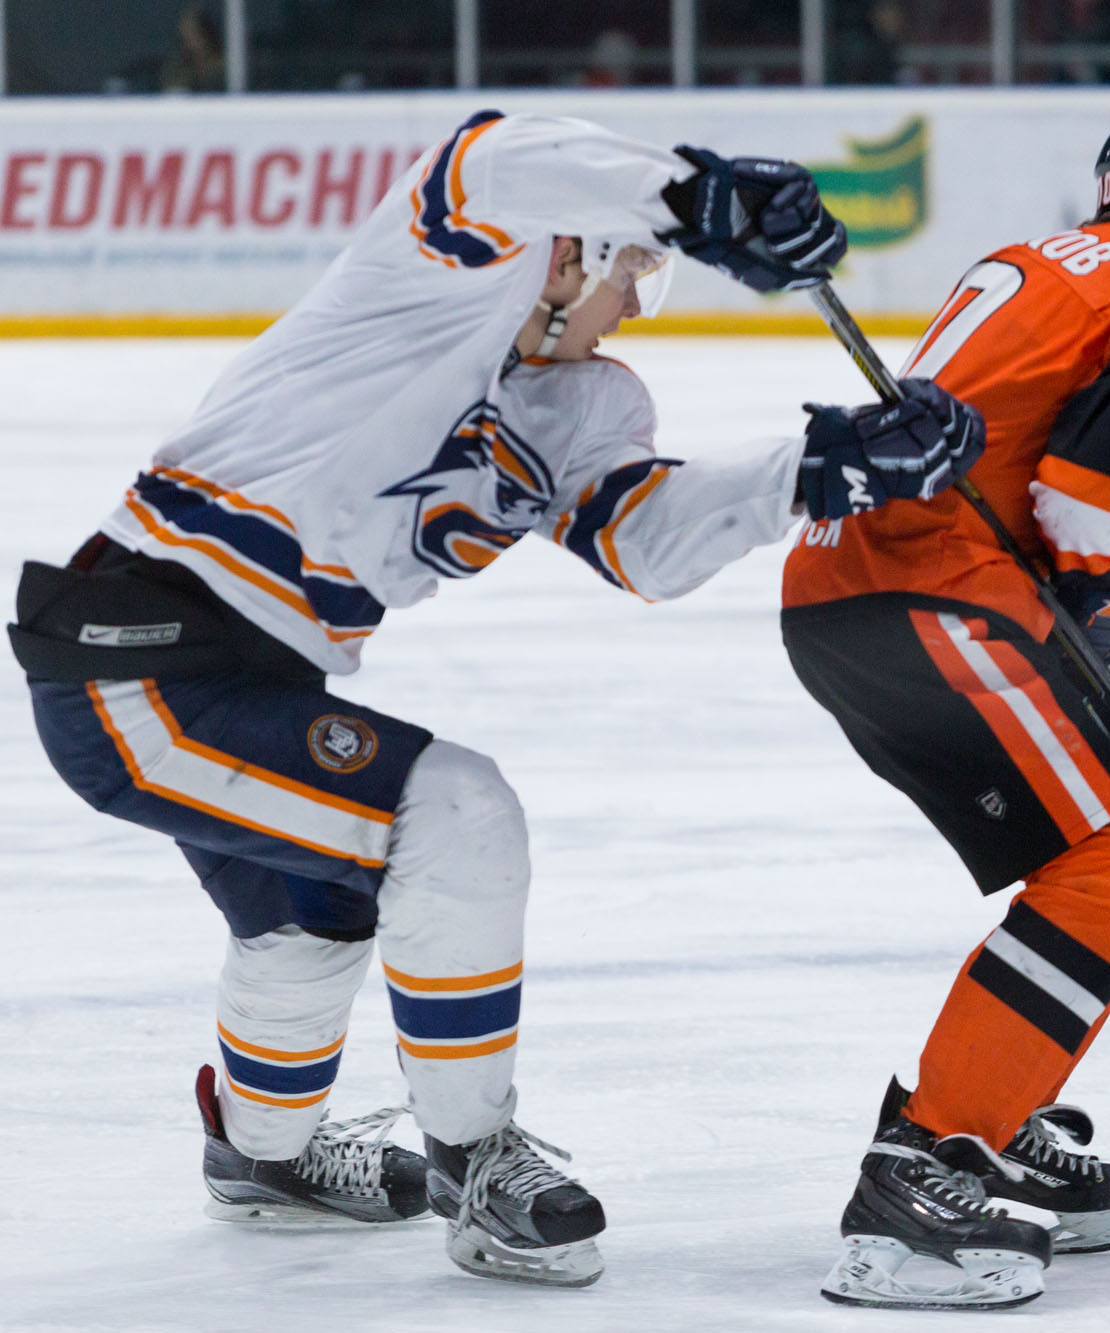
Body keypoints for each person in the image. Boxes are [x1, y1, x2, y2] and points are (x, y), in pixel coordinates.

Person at [7, 108, 978, 1289]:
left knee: (312, 912)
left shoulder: (578, 405)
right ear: (569, 252)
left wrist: (822, 470)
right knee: (456, 812)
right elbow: (490, 153)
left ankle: (261, 1156)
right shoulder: (431, 281)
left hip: (247, 684)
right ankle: (473, 1158)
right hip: (140, 667)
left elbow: (643, 542)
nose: (635, 307)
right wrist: (694, 196)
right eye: (632, 273)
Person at [782, 98, 1110, 1310]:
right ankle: (925, 1164)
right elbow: (1087, 511)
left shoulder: (1042, 261)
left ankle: (990, 1116)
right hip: (935, 595)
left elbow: (1044, 509)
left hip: (856, 587)